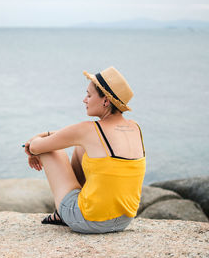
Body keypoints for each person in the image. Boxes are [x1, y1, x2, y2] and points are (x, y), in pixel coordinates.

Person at [24, 66, 146, 234]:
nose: (84, 100)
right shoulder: (135, 127)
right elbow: (71, 137)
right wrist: (43, 136)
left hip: (88, 220)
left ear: (106, 101)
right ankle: (66, 211)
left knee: (51, 150)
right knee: (81, 147)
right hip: (124, 220)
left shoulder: (88, 130)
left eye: (89, 95)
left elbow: (37, 147)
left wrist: (33, 146)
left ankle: (62, 213)